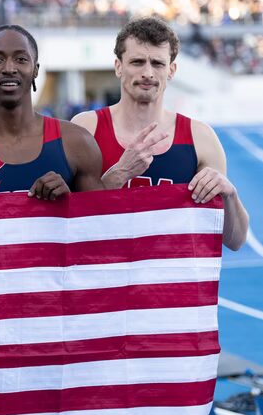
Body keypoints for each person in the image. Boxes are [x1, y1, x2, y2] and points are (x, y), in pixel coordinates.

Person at [71, 17, 249, 250]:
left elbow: (235, 240)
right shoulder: (86, 129)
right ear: (118, 67)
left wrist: (229, 196)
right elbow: (67, 224)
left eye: (157, 63)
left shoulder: (200, 138)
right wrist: (119, 174)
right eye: (137, 62)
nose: (147, 72)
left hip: (171, 283)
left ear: (171, 70)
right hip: (105, 281)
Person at [0, 24, 103, 198]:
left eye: (21, 59)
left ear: (36, 69)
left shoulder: (77, 143)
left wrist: (70, 204)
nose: (9, 68)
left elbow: (100, 221)